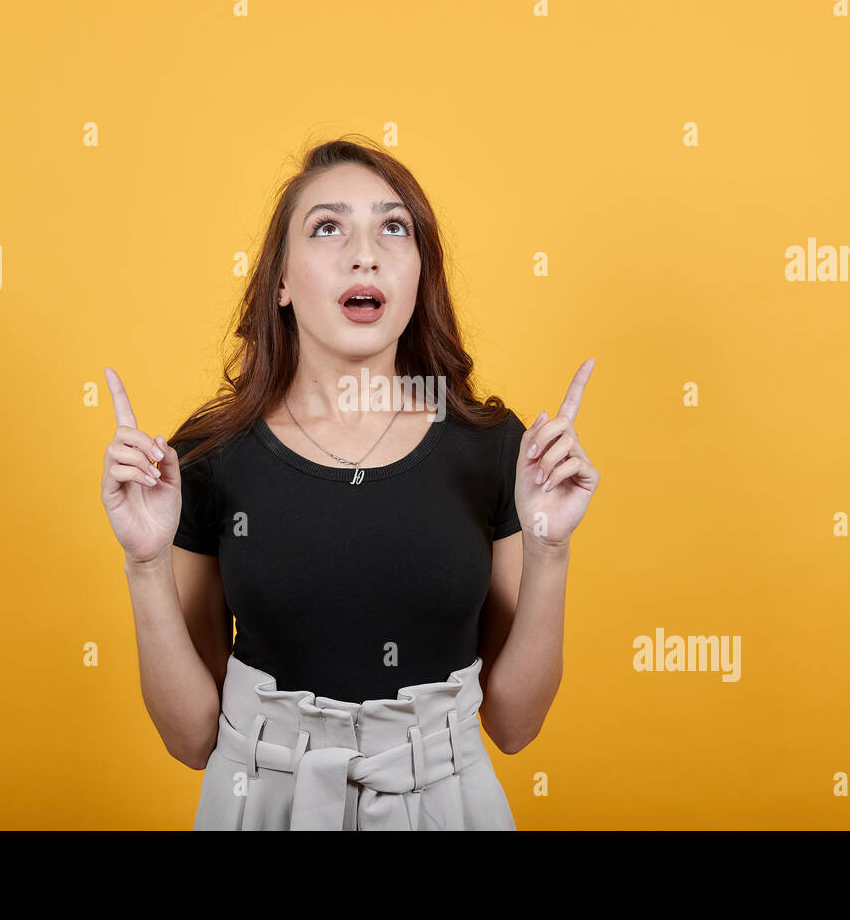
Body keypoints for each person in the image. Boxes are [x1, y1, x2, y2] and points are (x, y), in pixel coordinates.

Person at [100, 136, 600, 830]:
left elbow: (516, 726)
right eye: (327, 227)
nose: (364, 252)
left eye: (393, 228)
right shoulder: (208, 458)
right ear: (278, 281)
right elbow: (189, 740)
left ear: (420, 273)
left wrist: (551, 550)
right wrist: (144, 563)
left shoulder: (493, 448)